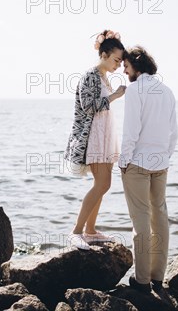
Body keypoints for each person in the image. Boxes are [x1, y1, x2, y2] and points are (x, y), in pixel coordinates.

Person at [119, 46, 178, 293]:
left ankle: (141, 281)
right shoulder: (167, 91)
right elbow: (173, 133)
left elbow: (131, 131)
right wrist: (165, 156)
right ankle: (157, 277)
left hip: (138, 163)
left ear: (136, 65)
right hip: (161, 163)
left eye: (126, 66)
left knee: (140, 219)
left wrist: (123, 161)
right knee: (160, 217)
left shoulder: (135, 91)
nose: (124, 70)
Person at [64, 30, 127, 250]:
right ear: (104, 54)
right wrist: (115, 96)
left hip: (105, 136)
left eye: (120, 62)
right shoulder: (90, 75)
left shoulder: (103, 77)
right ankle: (76, 231)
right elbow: (88, 106)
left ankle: (90, 230)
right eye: (116, 60)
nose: (118, 66)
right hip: (93, 137)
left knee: (102, 185)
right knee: (103, 184)